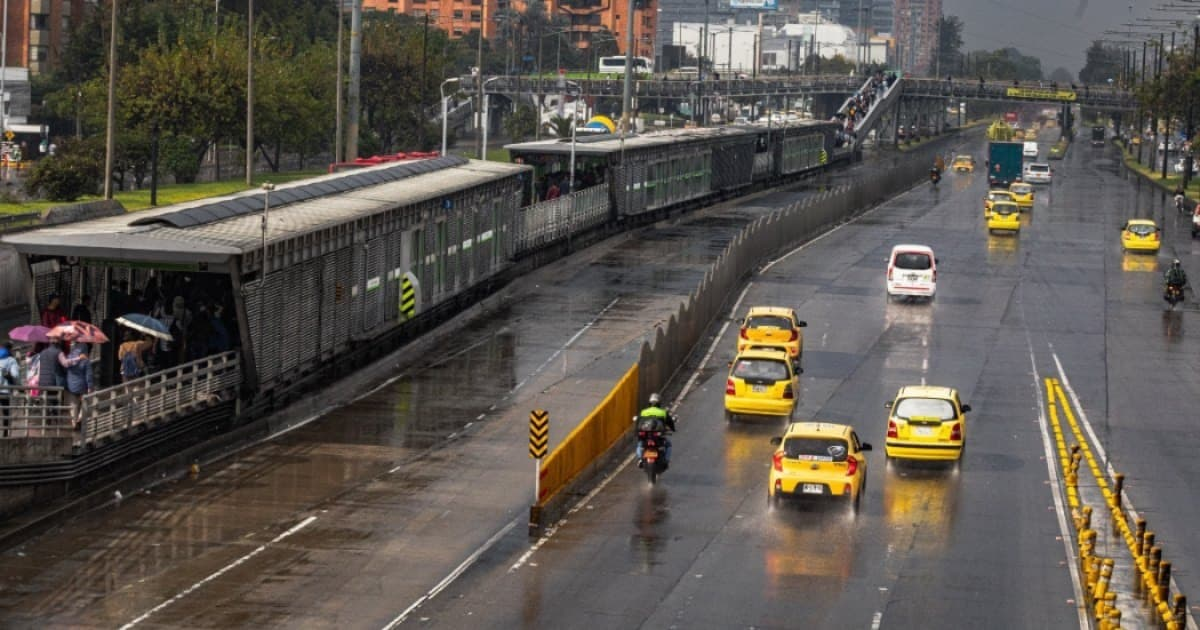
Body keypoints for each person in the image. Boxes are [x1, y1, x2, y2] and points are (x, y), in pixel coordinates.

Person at [634, 393, 677, 468]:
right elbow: (670, 422)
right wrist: (673, 429)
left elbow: (638, 423)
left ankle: (640, 459)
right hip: (657, 435)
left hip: (645, 435)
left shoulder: (643, 412)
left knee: (640, 444)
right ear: (659, 403)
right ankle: (666, 460)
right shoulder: (663, 412)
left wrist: (636, 432)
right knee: (668, 445)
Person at [64, 343, 92, 426]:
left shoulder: (69, 358)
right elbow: (89, 375)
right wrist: (90, 386)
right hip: (83, 386)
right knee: (85, 402)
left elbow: (65, 368)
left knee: (73, 404)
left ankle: (74, 422)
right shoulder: (86, 360)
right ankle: (80, 417)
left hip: (71, 385)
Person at [0, 343, 20, 436]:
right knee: (6, 412)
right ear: (10, 349)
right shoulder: (11, 360)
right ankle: (5, 434)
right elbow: (15, 375)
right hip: (5, 390)